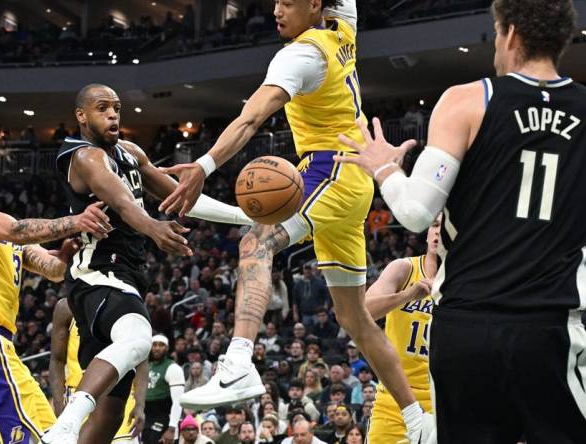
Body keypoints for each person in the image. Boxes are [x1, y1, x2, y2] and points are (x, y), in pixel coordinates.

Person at [336, 0, 586, 441]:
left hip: (466, 331)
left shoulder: (467, 100)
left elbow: (416, 214)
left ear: (510, 34)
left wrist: (385, 168)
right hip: (549, 330)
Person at [162, 0, 431, 440]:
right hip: (354, 176)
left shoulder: (300, 55)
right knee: (355, 319)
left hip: (331, 170)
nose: (276, 9)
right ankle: (419, 421)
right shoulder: (342, 29)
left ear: (313, 6)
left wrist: (203, 167)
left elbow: (251, 118)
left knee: (256, 242)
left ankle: (239, 363)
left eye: (288, 2)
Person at [43, 83, 252, 444]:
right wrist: (154, 228)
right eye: (102, 108)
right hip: (97, 274)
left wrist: (246, 218)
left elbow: (178, 195)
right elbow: (123, 203)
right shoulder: (84, 156)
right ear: (81, 116)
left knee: (109, 419)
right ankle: (64, 426)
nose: (112, 114)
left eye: (116, 108)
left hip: (126, 277)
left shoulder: (131, 152)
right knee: (140, 336)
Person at [0, 156, 108, 444]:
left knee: (52, 433)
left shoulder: (2, 234)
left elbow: (52, 270)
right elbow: (16, 230)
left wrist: (67, 253)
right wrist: (75, 221)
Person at [365, 218, 439, 444]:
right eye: (434, 225)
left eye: (444, 226)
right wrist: (408, 295)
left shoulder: (469, 283)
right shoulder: (404, 269)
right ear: (426, 234)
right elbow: (363, 311)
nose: (437, 232)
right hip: (395, 400)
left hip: (446, 402)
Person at [47, 297, 139, 443]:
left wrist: (140, 401)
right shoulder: (66, 307)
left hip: (119, 396)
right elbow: (57, 360)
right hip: (78, 396)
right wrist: (59, 406)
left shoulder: (125, 302)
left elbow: (139, 354)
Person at [143, 335, 185, 444]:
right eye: (154, 345)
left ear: (167, 348)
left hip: (163, 416)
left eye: (161, 345)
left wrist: (172, 428)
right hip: (146, 417)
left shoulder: (173, 368)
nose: (157, 348)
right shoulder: (147, 366)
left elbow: (178, 401)